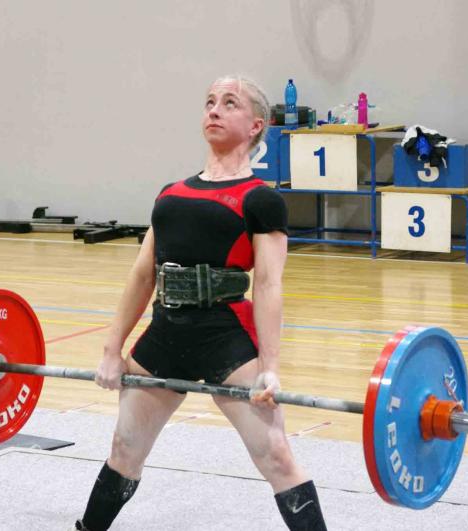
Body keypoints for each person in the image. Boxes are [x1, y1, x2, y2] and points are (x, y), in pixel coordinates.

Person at [75, 75, 328, 531]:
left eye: (229, 103)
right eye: (210, 101)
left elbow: (268, 285)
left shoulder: (261, 200)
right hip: (165, 334)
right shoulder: (170, 195)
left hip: (225, 337)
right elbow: (142, 275)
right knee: (124, 450)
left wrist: (271, 367)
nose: (214, 109)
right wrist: (112, 350)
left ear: (256, 125)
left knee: (276, 456)